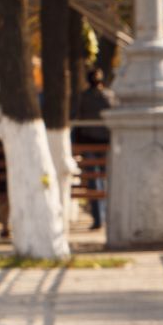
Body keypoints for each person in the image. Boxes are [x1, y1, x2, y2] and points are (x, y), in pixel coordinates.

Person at [74, 67, 114, 229]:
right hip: (105, 143)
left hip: (88, 143)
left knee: (93, 181)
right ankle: (107, 217)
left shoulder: (83, 97)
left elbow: (77, 118)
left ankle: (99, 218)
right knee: (107, 179)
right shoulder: (109, 97)